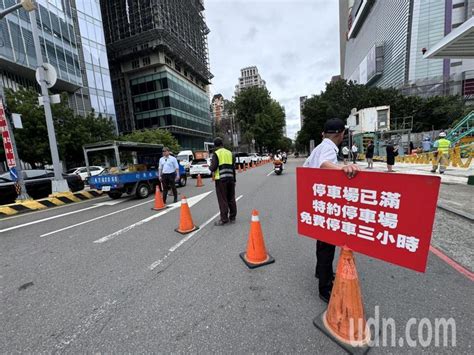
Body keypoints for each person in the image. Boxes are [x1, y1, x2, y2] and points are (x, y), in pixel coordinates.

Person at [303, 118, 360, 303]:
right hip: (325, 204)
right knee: (327, 245)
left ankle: (322, 273)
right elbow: (323, 164)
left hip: (317, 203)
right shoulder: (327, 147)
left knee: (322, 243)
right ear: (340, 133)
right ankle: (325, 288)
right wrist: (344, 168)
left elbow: (306, 169)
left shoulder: (318, 147)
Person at [209, 137, 237, 226]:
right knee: (231, 198)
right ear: (222, 144)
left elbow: (213, 168)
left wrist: (210, 166)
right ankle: (232, 217)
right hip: (231, 178)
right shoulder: (230, 153)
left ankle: (224, 219)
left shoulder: (216, 154)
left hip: (221, 180)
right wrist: (234, 180)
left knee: (223, 199)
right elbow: (233, 167)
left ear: (215, 145)